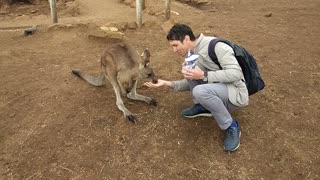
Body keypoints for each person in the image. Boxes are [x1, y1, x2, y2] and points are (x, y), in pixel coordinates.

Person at [144, 23, 249, 152]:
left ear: (187, 39)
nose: (174, 50)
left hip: (236, 93)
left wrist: (204, 75)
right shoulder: (191, 55)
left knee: (200, 89)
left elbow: (236, 73)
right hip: (217, 88)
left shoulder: (216, 46)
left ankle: (231, 126)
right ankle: (203, 106)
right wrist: (168, 83)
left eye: (175, 45)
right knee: (189, 69)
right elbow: (193, 80)